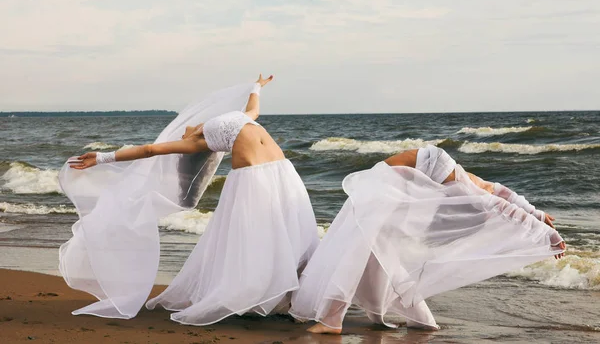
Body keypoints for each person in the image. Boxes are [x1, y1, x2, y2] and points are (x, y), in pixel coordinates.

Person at [61, 75, 320, 324]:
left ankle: (291, 294)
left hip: (284, 172)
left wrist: (257, 86)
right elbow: (150, 150)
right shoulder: (198, 141)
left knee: (290, 231)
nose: (184, 131)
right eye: (184, 134)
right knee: (261, 234)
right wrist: (103, 158)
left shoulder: (239, 119)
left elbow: (253, 110)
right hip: (254, 178)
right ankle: (265, 292)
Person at [290, 144, 565, 334]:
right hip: (405, 175)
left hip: (398, 180)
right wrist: (537, 215)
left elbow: (502, 203)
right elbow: (505, 195)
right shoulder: (474, 187)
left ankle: (333, 319)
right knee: (368, 244)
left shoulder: (474, 192)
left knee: (360, 243)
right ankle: (418, 320)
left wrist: (545, 231)